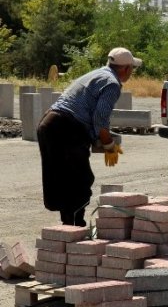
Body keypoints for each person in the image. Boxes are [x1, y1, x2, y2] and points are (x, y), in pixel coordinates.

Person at [36, 47, 139, 226]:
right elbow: (100, 119)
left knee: (63, 179)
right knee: (82, 179)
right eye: (132, 69)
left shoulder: (96, 74)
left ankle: (68, 226)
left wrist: (99, 137)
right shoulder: (112, 83)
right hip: (66, 128)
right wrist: (109, 145)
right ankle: (76, 225)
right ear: (126, 69)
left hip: (48, 124)